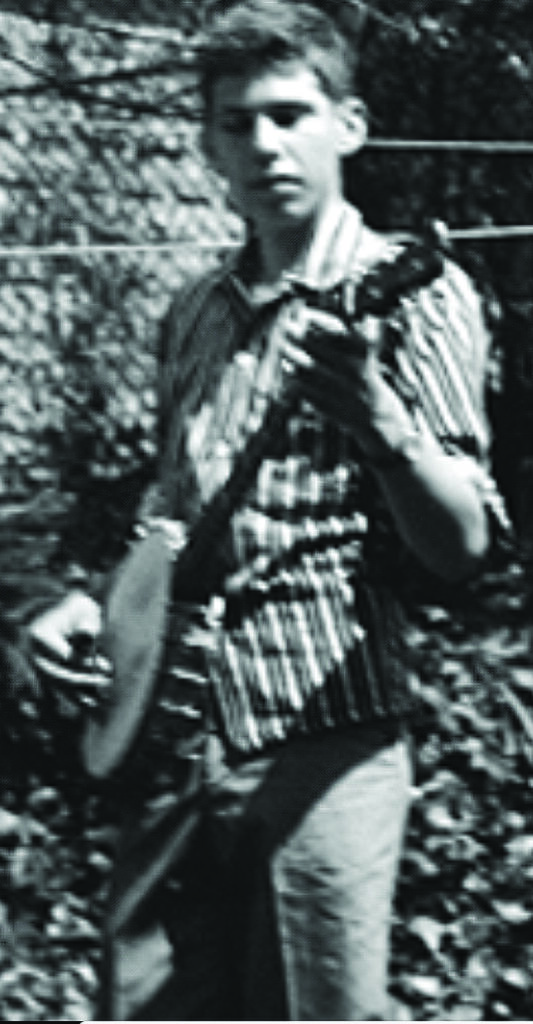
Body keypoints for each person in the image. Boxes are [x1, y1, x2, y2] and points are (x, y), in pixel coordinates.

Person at [30, 1, 509, 1019]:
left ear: (349, 125)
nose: (263, 144)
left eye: (289, 114)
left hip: (320, 742)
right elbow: (173, 506)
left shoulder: (413, 293)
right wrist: (100, 603)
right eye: (236, 121)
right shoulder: (193, 308)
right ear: (205, 141)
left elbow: (461, 545)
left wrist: (383, 427)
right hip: (169, 741)